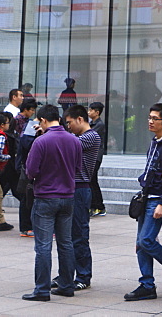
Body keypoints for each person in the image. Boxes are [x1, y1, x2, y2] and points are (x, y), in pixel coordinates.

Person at [23, 104, 82, 301]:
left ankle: (41, 289)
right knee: (66, 243)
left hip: (46, 197)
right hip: (67, 196)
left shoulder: (41, 142)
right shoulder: (74, 141)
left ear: (43, 121)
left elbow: (30, 171)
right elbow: (77, 167)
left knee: (43, 246)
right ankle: (66, 285)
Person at [124, 103, 162, 302]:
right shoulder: (155, 140)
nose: (150, 121)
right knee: (141, 244)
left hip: (157, 199)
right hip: (146, 195)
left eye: (155, 118)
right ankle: (147, 284)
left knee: (146, 240)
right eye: (149, 117)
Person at [60, 105, 101, 292]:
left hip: (81, 189)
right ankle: (67, 274)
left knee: (79, 235)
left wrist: (51, 131)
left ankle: (83, 275)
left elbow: (67, 145)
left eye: (69, 123)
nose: (68, 127)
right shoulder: (76, 137)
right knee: (66, 236)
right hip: (69, 189)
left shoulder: (91, 137)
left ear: (80, 119)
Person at [88, 101, 107, 216]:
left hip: (95, 156)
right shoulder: (93, 123)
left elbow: (89, 136)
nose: (88, 112)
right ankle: (98, 206)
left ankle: (97, 206)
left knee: (92, 181)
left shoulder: (99, 125)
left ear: (97, 112)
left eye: (91, 110)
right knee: (92, 181)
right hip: (92, 156)